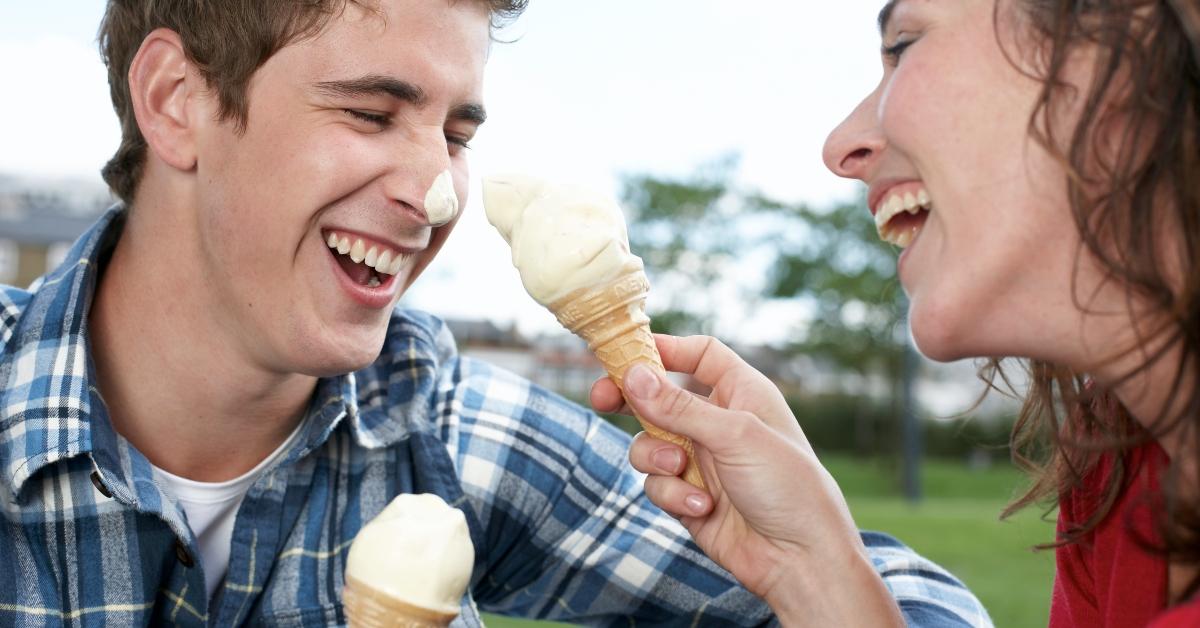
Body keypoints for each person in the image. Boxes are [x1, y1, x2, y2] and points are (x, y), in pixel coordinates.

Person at [0, 1, 990, 626]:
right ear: (176, 101)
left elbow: (932, 607)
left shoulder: (449, 433)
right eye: (371, 114)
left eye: (456, 131)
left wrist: (820, 575)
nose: (438, 192)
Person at [596, 0, 1200, 625]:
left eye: (904, 45)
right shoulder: (1121, 472)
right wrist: (809, 565)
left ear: (1136, 44)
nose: (840, 148)